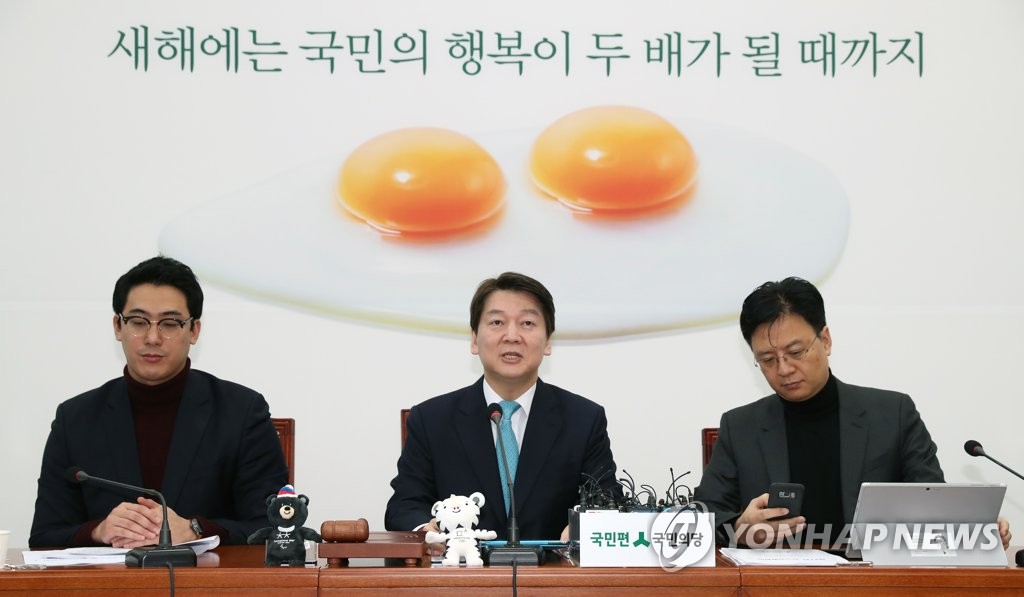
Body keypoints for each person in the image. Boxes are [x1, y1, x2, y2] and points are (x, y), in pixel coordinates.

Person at [695, 277, 1011, 548]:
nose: (784, 369)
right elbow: (703, 517)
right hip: (778, 585)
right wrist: (740, 529)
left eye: (795, 352)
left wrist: (973, 529)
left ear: (825, 340)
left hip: (873, 584)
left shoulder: (893, 415)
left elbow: (933, 504)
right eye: (767, 359)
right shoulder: (741, 427)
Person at [29, 256, 288, 548]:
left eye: (170, 323)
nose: (152, 337)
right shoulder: (75, 419)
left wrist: (195, 529)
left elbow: (276, 528)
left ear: (194, 331)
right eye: (138, 322)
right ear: (118, 327)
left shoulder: (242, 413)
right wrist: (98, 531)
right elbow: (44, 537)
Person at [385, 272, 620, 541]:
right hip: (460, 566)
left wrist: (582, 527)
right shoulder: (431, 420)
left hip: (551, 567)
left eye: (527, 323)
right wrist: (426, 532)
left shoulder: (584, 420)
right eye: (497, 322)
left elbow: (607, 500)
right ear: (474, 339)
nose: (512, 336)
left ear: (548, 341)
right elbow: (404, 506)